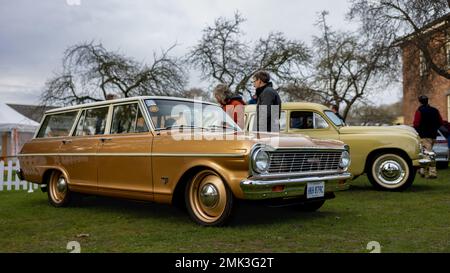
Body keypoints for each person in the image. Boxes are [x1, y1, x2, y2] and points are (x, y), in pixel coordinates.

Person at [413, 95, 443, 179]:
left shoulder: (419, 111)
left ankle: (432, 173)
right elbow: (440, 122)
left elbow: (416, 123)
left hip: (424, 135)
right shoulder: (435, 110)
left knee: (428, 154)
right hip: (433, 135)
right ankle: (422, 170)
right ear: (427, 100)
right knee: (425, 153)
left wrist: (418, 130)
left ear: (420, 101)